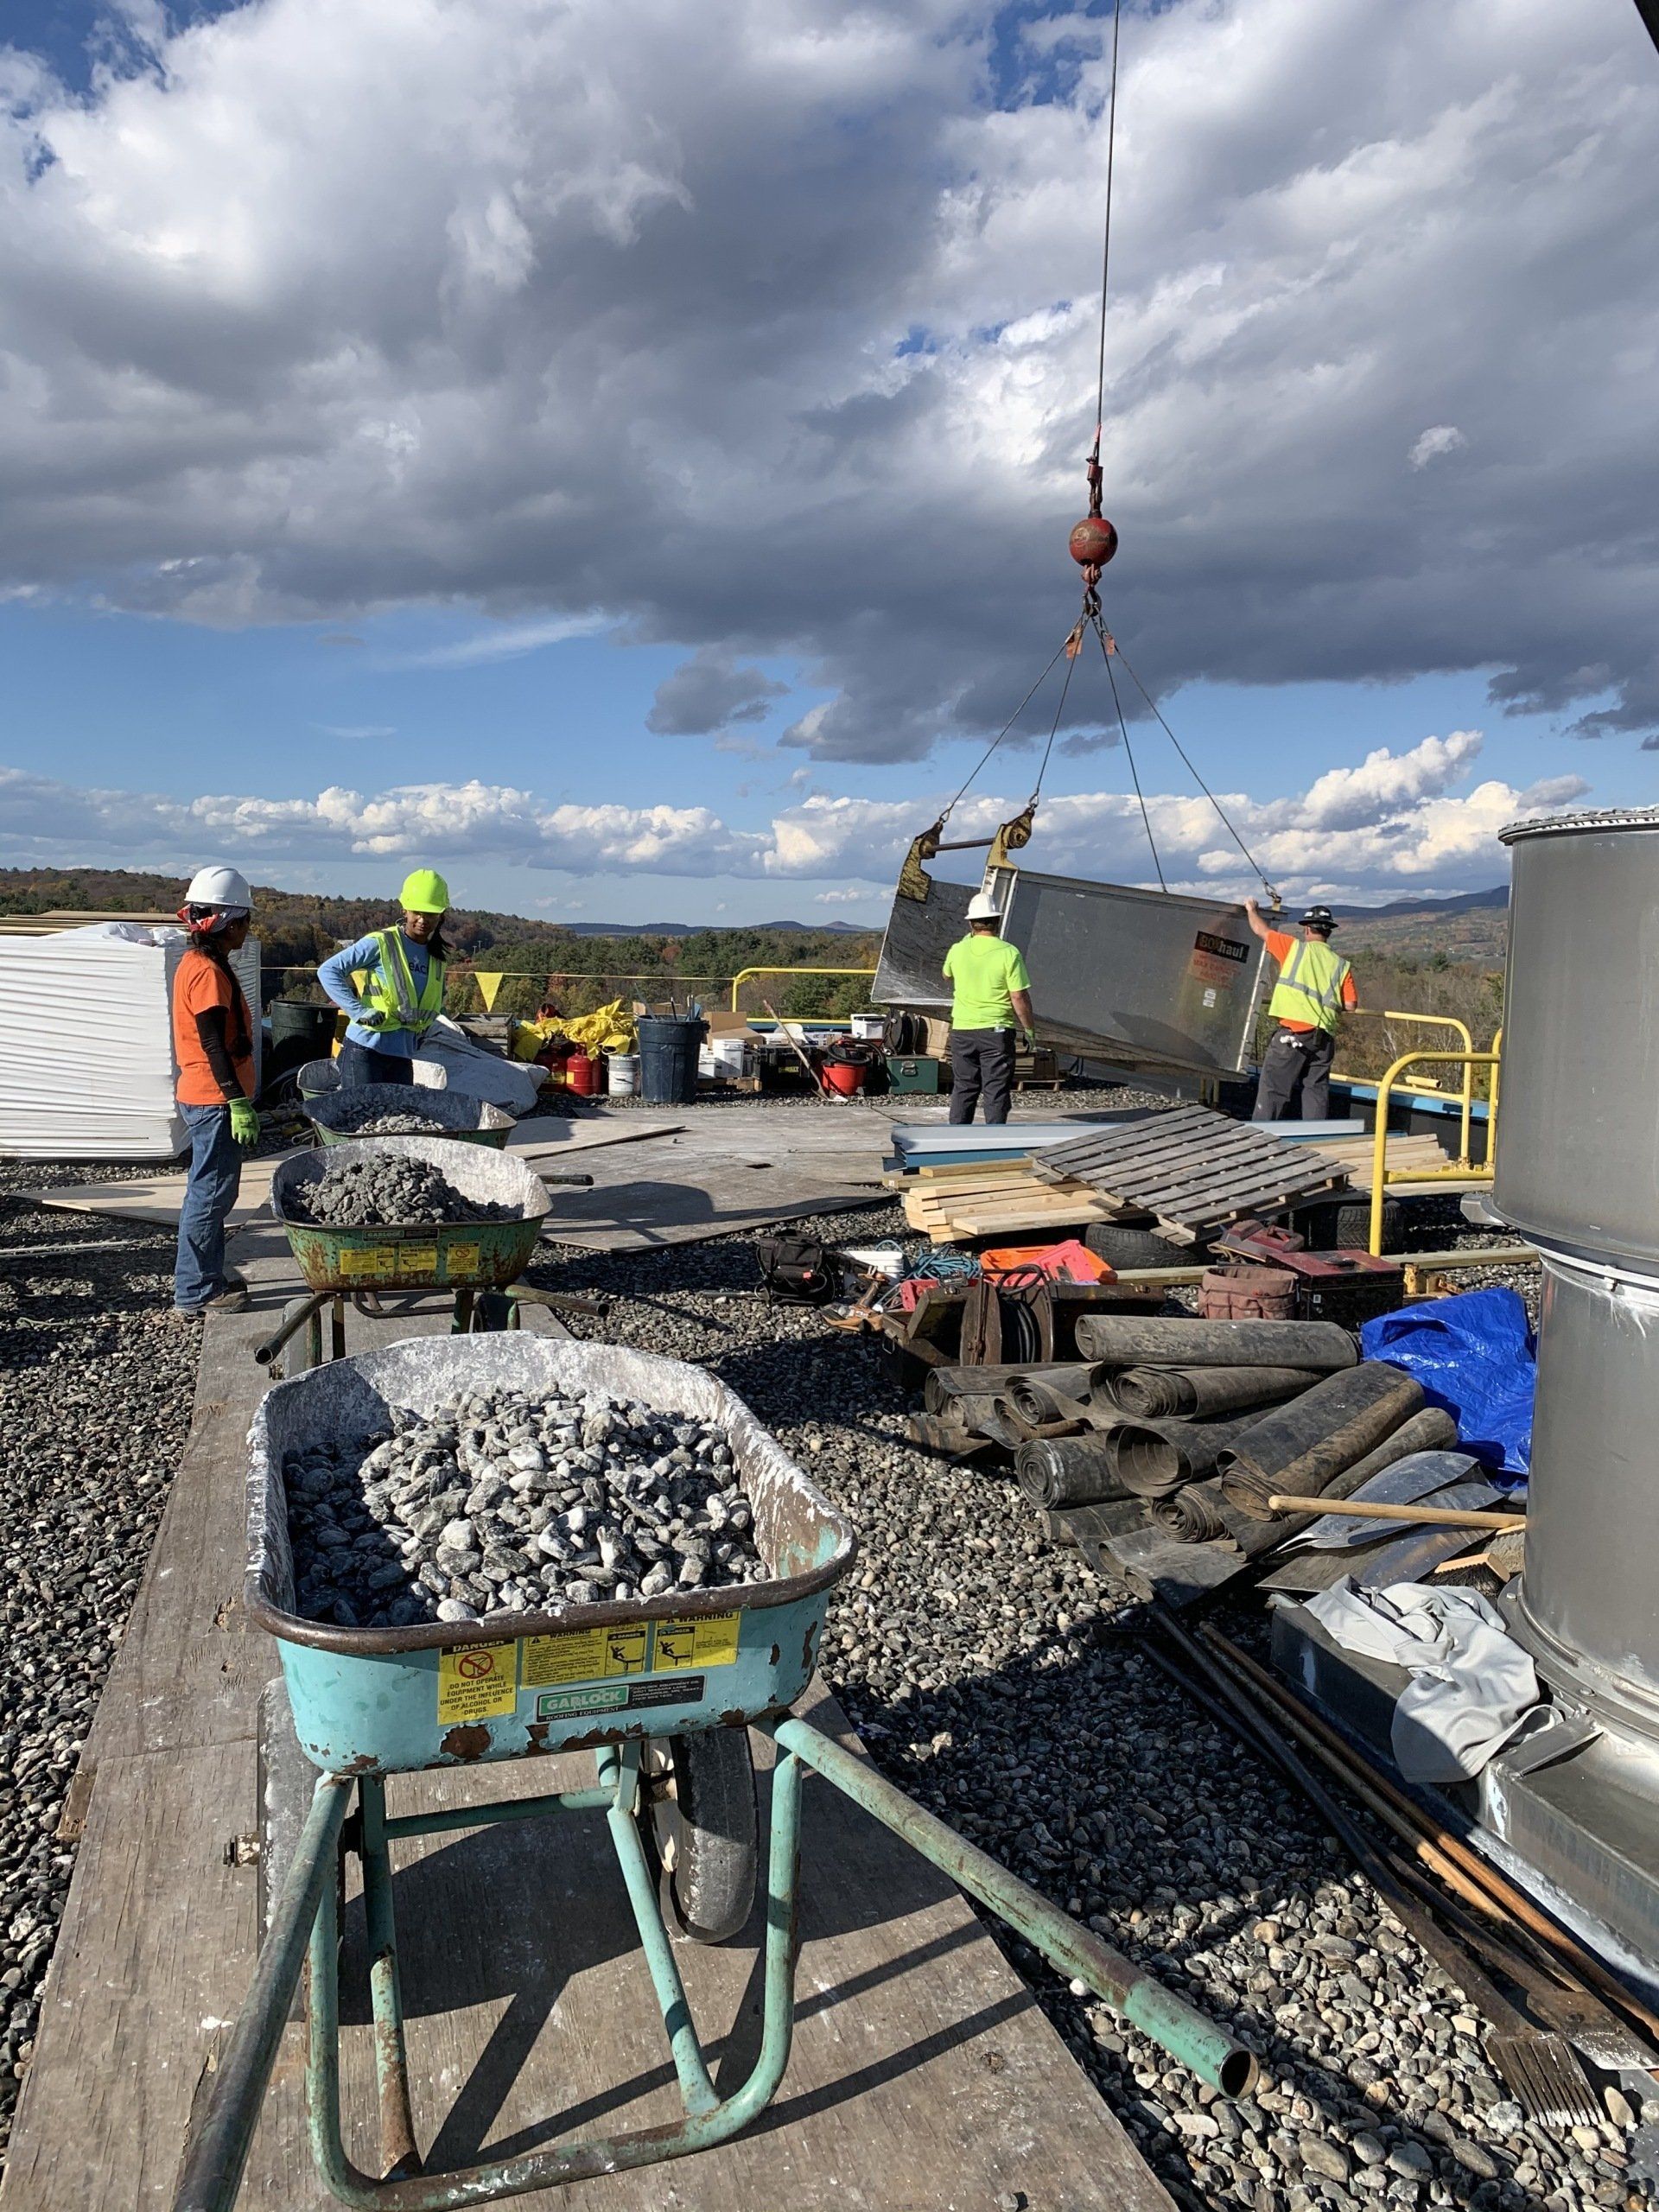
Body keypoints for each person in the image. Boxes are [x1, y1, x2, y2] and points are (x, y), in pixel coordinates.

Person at [171, 863, 259, 1319]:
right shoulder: (205, 971)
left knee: (207, 1191)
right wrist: (237, 1100)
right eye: (245, 921)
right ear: (229, 922)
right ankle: (197, 1291)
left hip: (204, 1095)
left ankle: (204, 1275)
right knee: (210, 1195)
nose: (247, 930)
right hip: (214, 1100)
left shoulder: (201, 963)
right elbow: (211, 1042)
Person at [317, 869, 451, 1084]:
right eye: (417, 911)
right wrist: (358, 1011)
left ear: (441, 915)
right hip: (365, 1051)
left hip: (402, 1055)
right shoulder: (381, 943)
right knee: (362, 1115)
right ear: (405, 909)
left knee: (398, 1118)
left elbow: (431, 1005)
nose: (422, 919)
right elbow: (328, 971)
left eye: (431, 913)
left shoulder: (437, 958)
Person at [1244, 899, 1357, 1122]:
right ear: (1329, 933)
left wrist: (1251, 909)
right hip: (1323, 1038)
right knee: (1316, 1090)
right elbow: (1351, 1005)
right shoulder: (1341, 965)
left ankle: (1262, 1137)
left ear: (1306, 929)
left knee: (1274, 1089)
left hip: (1292, 1035)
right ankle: (1314, 1142)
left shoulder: (1293, 948)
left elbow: (1260, 930)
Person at [942, 891, 1036, 1126]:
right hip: (996, 1031)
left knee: (964, 1087)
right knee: (995, 1089)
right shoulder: (1008, 952)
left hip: (962, 1029)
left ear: (971, 923)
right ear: (997, 921)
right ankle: (993, 1141)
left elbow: (946, 975)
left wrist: (964, 947)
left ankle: (955, 1141)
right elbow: (1018, 996)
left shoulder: (957, 949)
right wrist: (1029, 1029)